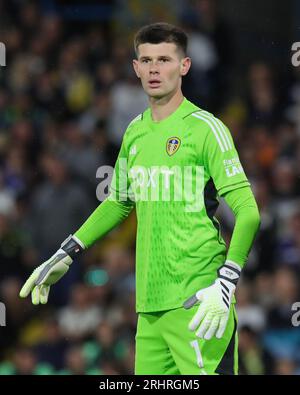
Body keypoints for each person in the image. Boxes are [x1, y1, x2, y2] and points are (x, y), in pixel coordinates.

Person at [19, 22, 260, 375]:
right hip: (149, 308)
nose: (154, 69)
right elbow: (118, 201)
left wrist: (226, 282)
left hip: (199, 300)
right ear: (135, 68)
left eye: (164, 59)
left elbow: (249, 212)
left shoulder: (206, 128)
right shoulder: (134, 132)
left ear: (184, 66)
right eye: (146, 60)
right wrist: (69, 249)